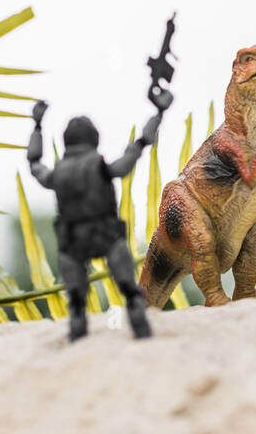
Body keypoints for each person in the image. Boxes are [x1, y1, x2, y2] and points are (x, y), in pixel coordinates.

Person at [27, 101, 161, 341]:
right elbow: (124, 165)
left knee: (76, 297)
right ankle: (134, 308)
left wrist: (37, 125)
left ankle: (78, 319)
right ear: (94, 139)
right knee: (128, 286)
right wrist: (145, 134)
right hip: (104, 232)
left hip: (73, 238)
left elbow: (35, 166)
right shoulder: (98, 165)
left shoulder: (58, 172)